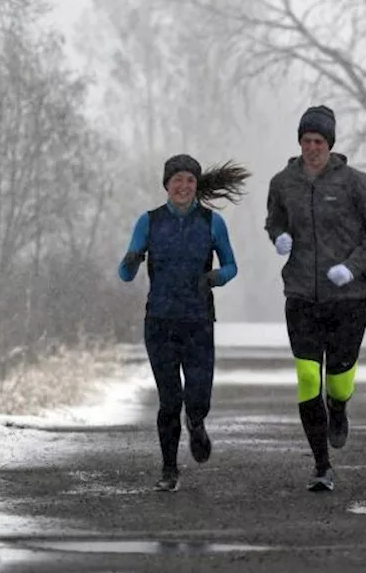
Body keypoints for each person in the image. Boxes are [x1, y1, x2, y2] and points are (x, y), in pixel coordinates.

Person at [265, 105, 366, 492]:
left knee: (338, 381)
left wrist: (352, 267)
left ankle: (339, 407)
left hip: (348, 299)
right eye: (306, 141)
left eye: (318, 141)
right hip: (302, 294)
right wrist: (278, 237)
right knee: (307, 377)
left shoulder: (356, 183)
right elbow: (275, 220)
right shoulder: (283, 182)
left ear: (330, 144)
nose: (311, 148)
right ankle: (322, 465)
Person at [119, 154, 249, 492]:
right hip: (160, 321)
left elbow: (232, 265)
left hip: (198, 320)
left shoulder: (211, 223)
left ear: (196, 186)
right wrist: (132, 259)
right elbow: (124, 274)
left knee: (197, 395)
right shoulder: (149, 222)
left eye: (190, 180)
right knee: (168, 400)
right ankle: (168, 469)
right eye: (177, 179)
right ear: (166, 185)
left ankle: (197, 422)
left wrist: (217, 277)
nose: (184, 186)